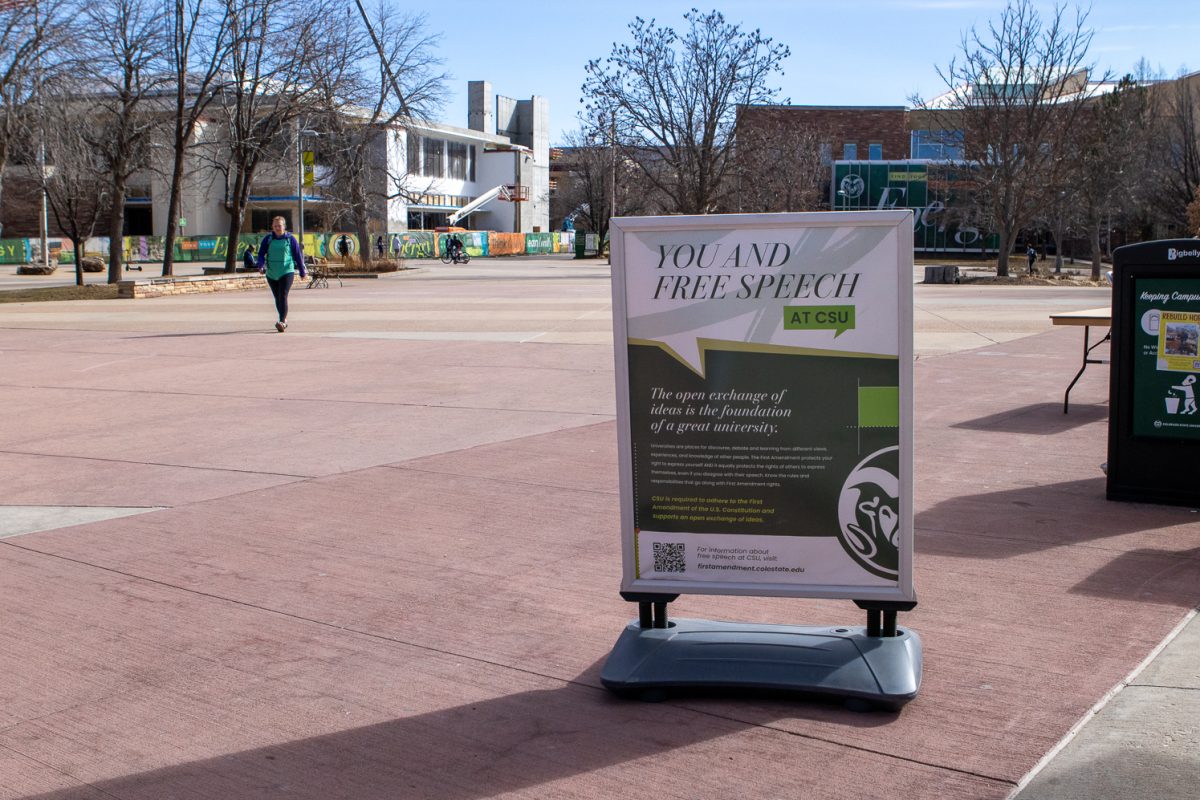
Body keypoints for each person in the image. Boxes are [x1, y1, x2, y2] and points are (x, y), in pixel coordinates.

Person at [255, 215, 306, 332]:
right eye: (275, 226)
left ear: (284, 226)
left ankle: (282, 321)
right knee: (277, 298)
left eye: (280, 225)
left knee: (283, 295)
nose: (278, 228)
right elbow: (261, 254)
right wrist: (261, 265)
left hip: (286, 271)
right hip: (272, 273)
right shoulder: (268, 239)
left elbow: (298, 256)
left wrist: (302, 271)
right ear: (272, 227)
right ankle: (283, 319)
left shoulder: (290, 239)